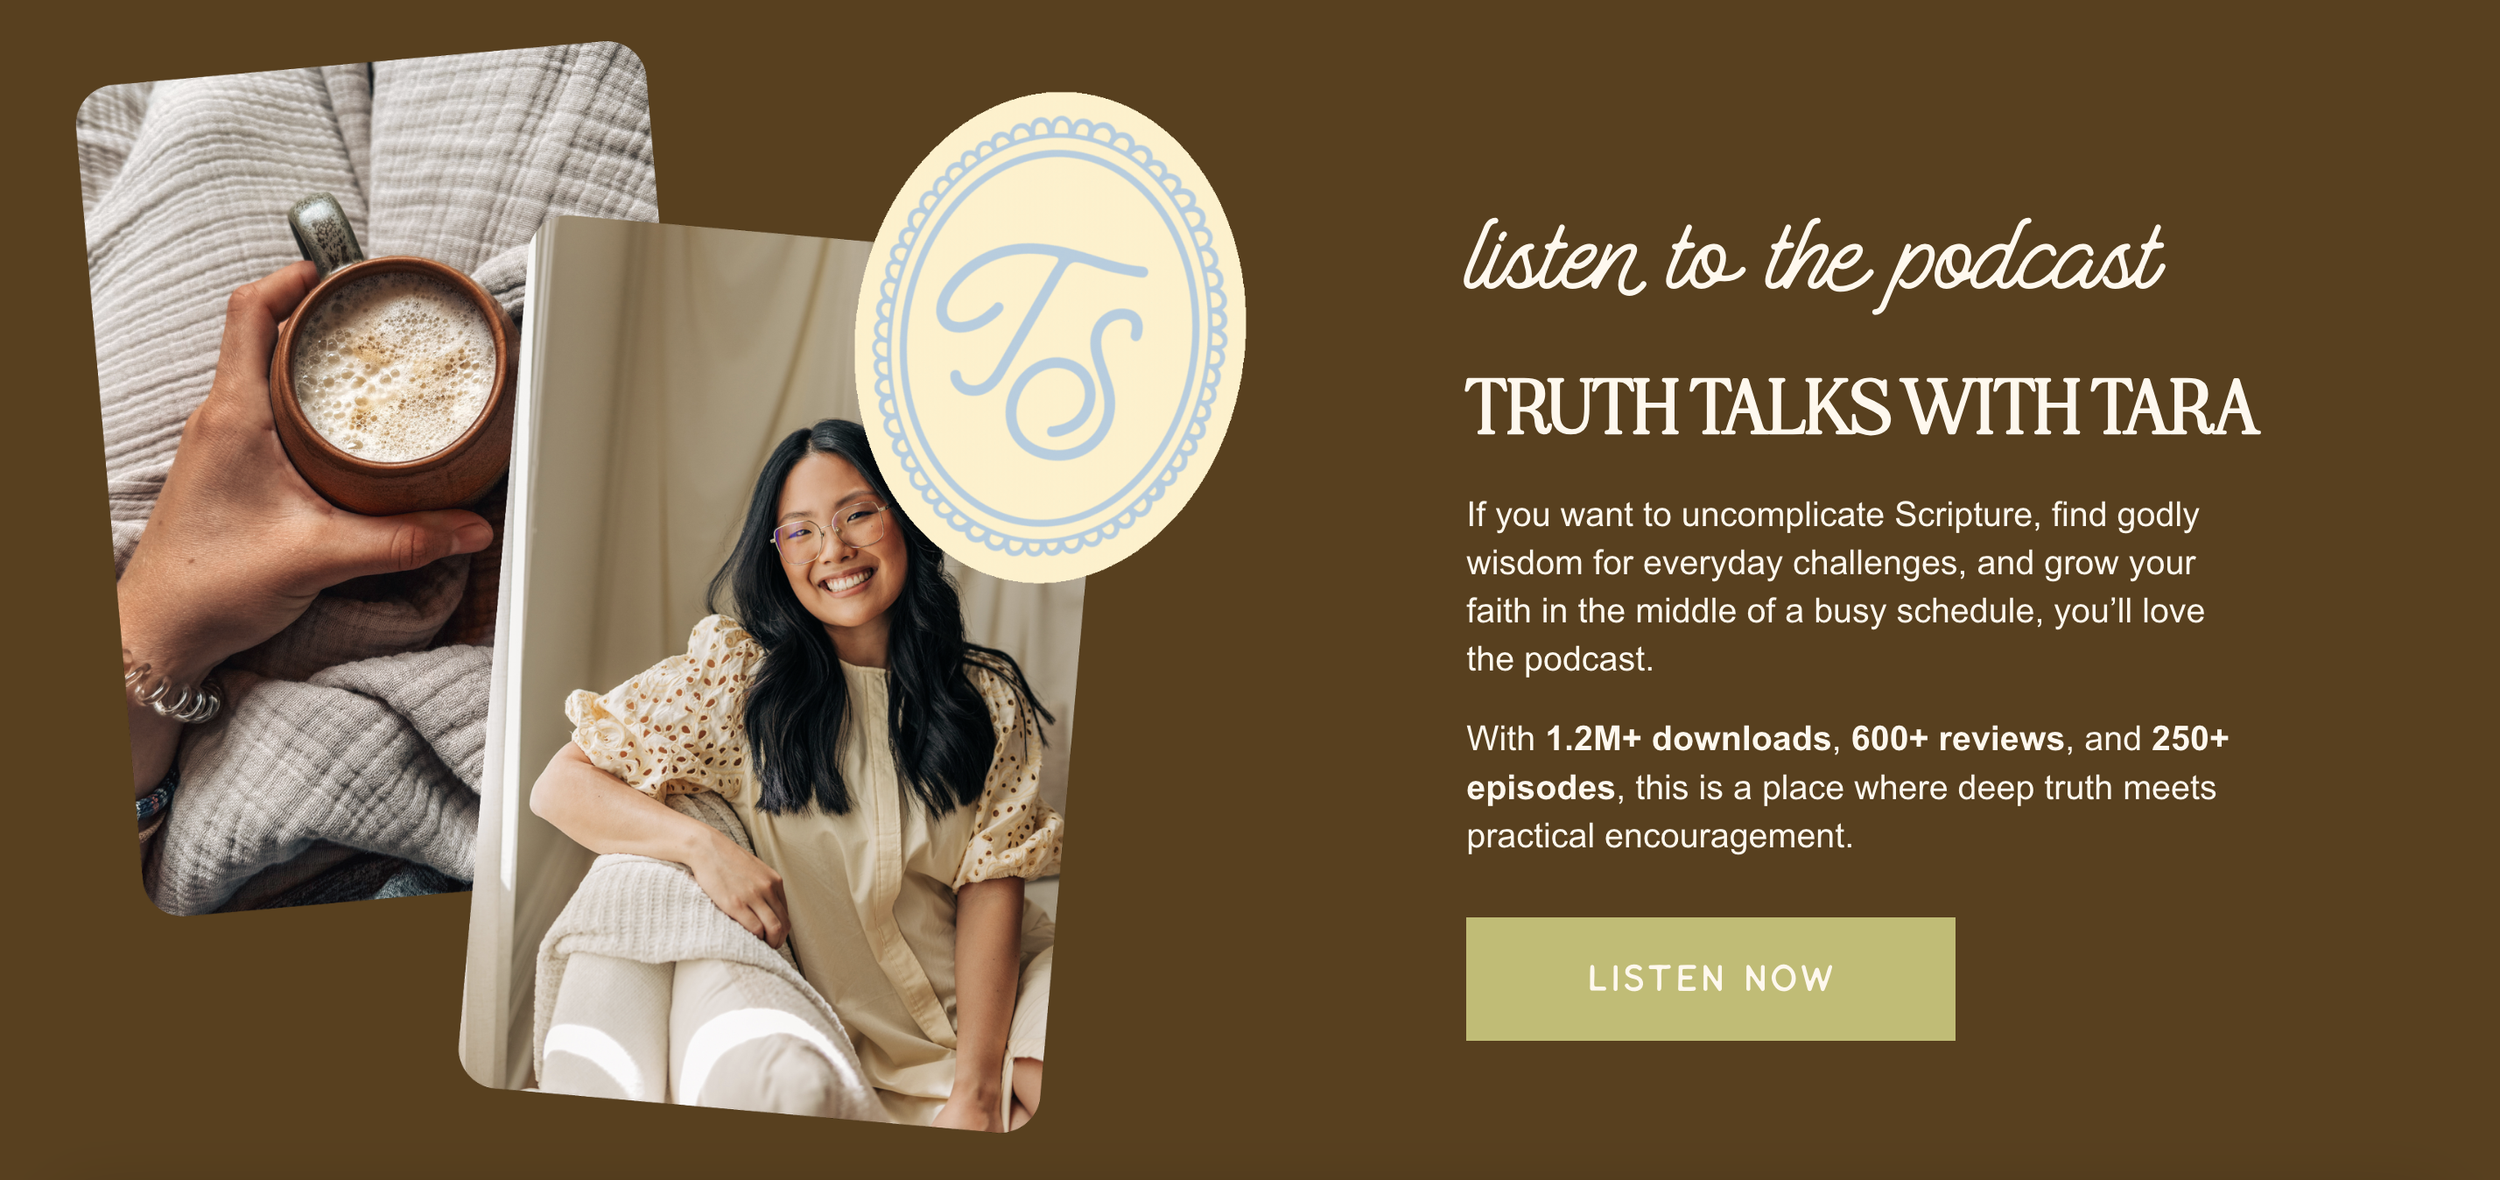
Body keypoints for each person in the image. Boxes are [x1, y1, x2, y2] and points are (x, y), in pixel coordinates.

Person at [531, 419, 1059, 1130]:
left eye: (858, 515)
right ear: (775, 554)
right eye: (800, 532)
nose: (835, 550)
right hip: (860, 1043)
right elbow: (561, 784)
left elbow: (992, 888)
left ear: (904, 517)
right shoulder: (735, 685)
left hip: (1007, 999)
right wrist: (703, 849)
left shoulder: (984, 698)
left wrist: (977, 1091)